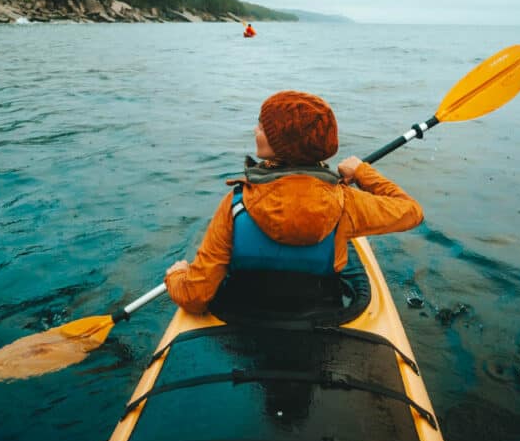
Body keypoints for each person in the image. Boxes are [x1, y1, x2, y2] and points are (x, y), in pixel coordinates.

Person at [165, 90, 423, 314]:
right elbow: (411, 212)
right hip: (322, 317)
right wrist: (362, 172)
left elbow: (195, 298)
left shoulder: (236, 204)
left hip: (246, 318)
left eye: (263, 128)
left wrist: (176, 275)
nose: (256, 130)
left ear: (283, 144)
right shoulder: (347, 203)